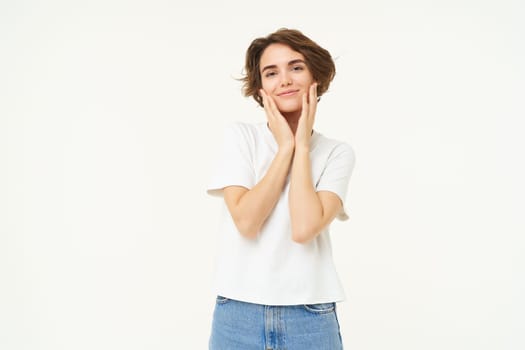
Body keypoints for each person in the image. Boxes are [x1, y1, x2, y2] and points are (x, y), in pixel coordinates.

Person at [207, 28, 356, 350]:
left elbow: (304, 229)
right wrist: (285, 147)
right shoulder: (241, 137)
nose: (285, 80)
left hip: (310, 316)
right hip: (237, 312)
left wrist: (302, 148)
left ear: (316, 76)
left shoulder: (336, 153)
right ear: (260, 89)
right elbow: (246, 222)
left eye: (296, 67)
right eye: (271, 73)